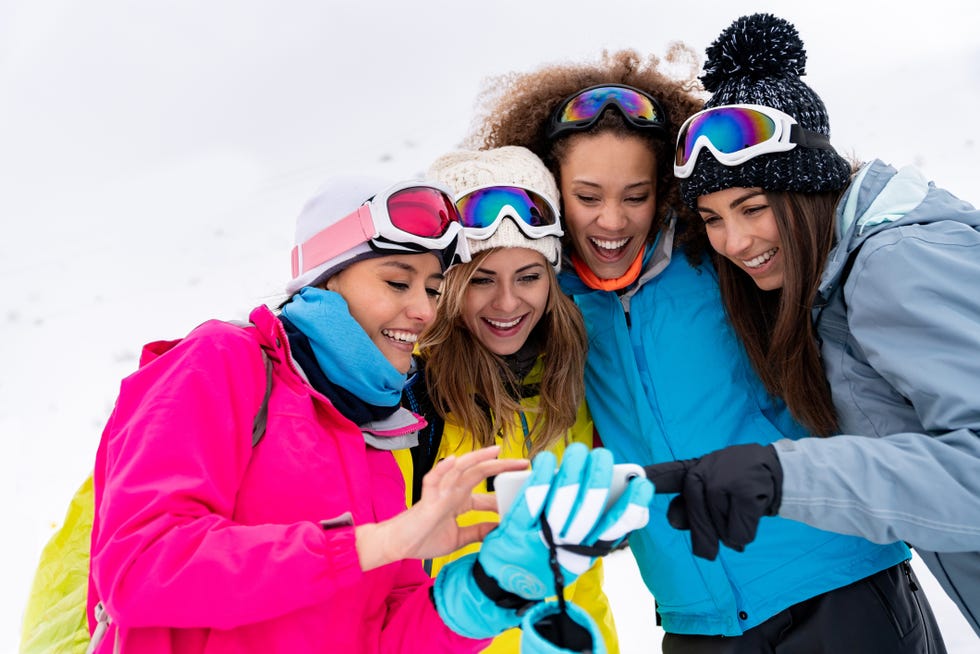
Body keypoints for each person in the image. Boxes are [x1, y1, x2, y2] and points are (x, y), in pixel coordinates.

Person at [469, 47, 940, 651]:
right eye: (588, 197)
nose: (612, 220)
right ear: (555, 192)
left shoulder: (723, 258)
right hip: (696, 617)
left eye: (635, 195)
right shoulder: (541, 295)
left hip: (838, 580)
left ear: (665, 188)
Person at [86, 174, 652, 653]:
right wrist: (379, 542)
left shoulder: (380, 429)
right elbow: (140, 567)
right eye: (396, 282)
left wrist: (489, 587)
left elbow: (388, 639)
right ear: (325, 277)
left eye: (433, 288)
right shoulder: (224, 362)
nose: (422, 310)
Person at [658, 10, 980, 642]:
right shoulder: (835, 285)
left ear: (807, 191)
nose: (734, 241)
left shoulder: (894, 264)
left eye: (752, 207)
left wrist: (783, 475)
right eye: (712, 216)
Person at [395, 146, 620, 652]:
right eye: (481, 280)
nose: (507, 303)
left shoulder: (576, 375)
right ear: (447, 283)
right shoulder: (412, 400)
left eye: (528, 276)